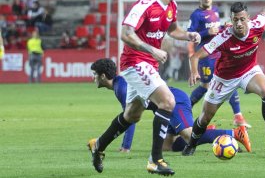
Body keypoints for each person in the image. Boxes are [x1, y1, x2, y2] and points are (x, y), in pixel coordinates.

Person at [86, 0, 201, 176]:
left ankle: (99, 146)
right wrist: (152, 49)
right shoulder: (145, 5)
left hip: (148, 65)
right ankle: (155, 159)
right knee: (167, 101)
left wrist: (188, 36)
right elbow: (125, 34)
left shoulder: (171, 5)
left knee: (132, 115)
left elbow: (172, 29)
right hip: (135, 63)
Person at [182, 2, 265, 156]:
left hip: (248, 70)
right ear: (231, 19)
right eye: (235, 20)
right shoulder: (223, 37)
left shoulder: (257, 25)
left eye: (242, 19)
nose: (239, 23)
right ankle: (191, 144)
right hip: (224, 79)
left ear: (248, 18)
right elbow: (195, 56)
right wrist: (194, 71)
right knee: (205, 117)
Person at [88, 58, 251, 154]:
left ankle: (235, 133)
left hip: (175, 101)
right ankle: (205, 131)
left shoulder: (121, 87)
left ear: (103, 76)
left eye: (94, 75)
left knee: (189, 136)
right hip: (166, 105)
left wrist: (125, 147)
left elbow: (129, 119)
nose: (93, 78)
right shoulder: (121, 83)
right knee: (169, 147)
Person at [187, 0, 251, 128]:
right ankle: (186, 109)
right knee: (205, 87)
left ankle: (238, 116)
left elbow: (217, 31)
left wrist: (224, 27)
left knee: (227, 80)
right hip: (205, 57)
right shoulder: (196, 15)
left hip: (218, 54)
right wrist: (205, 32)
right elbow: (190, 34)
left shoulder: (215, 10)